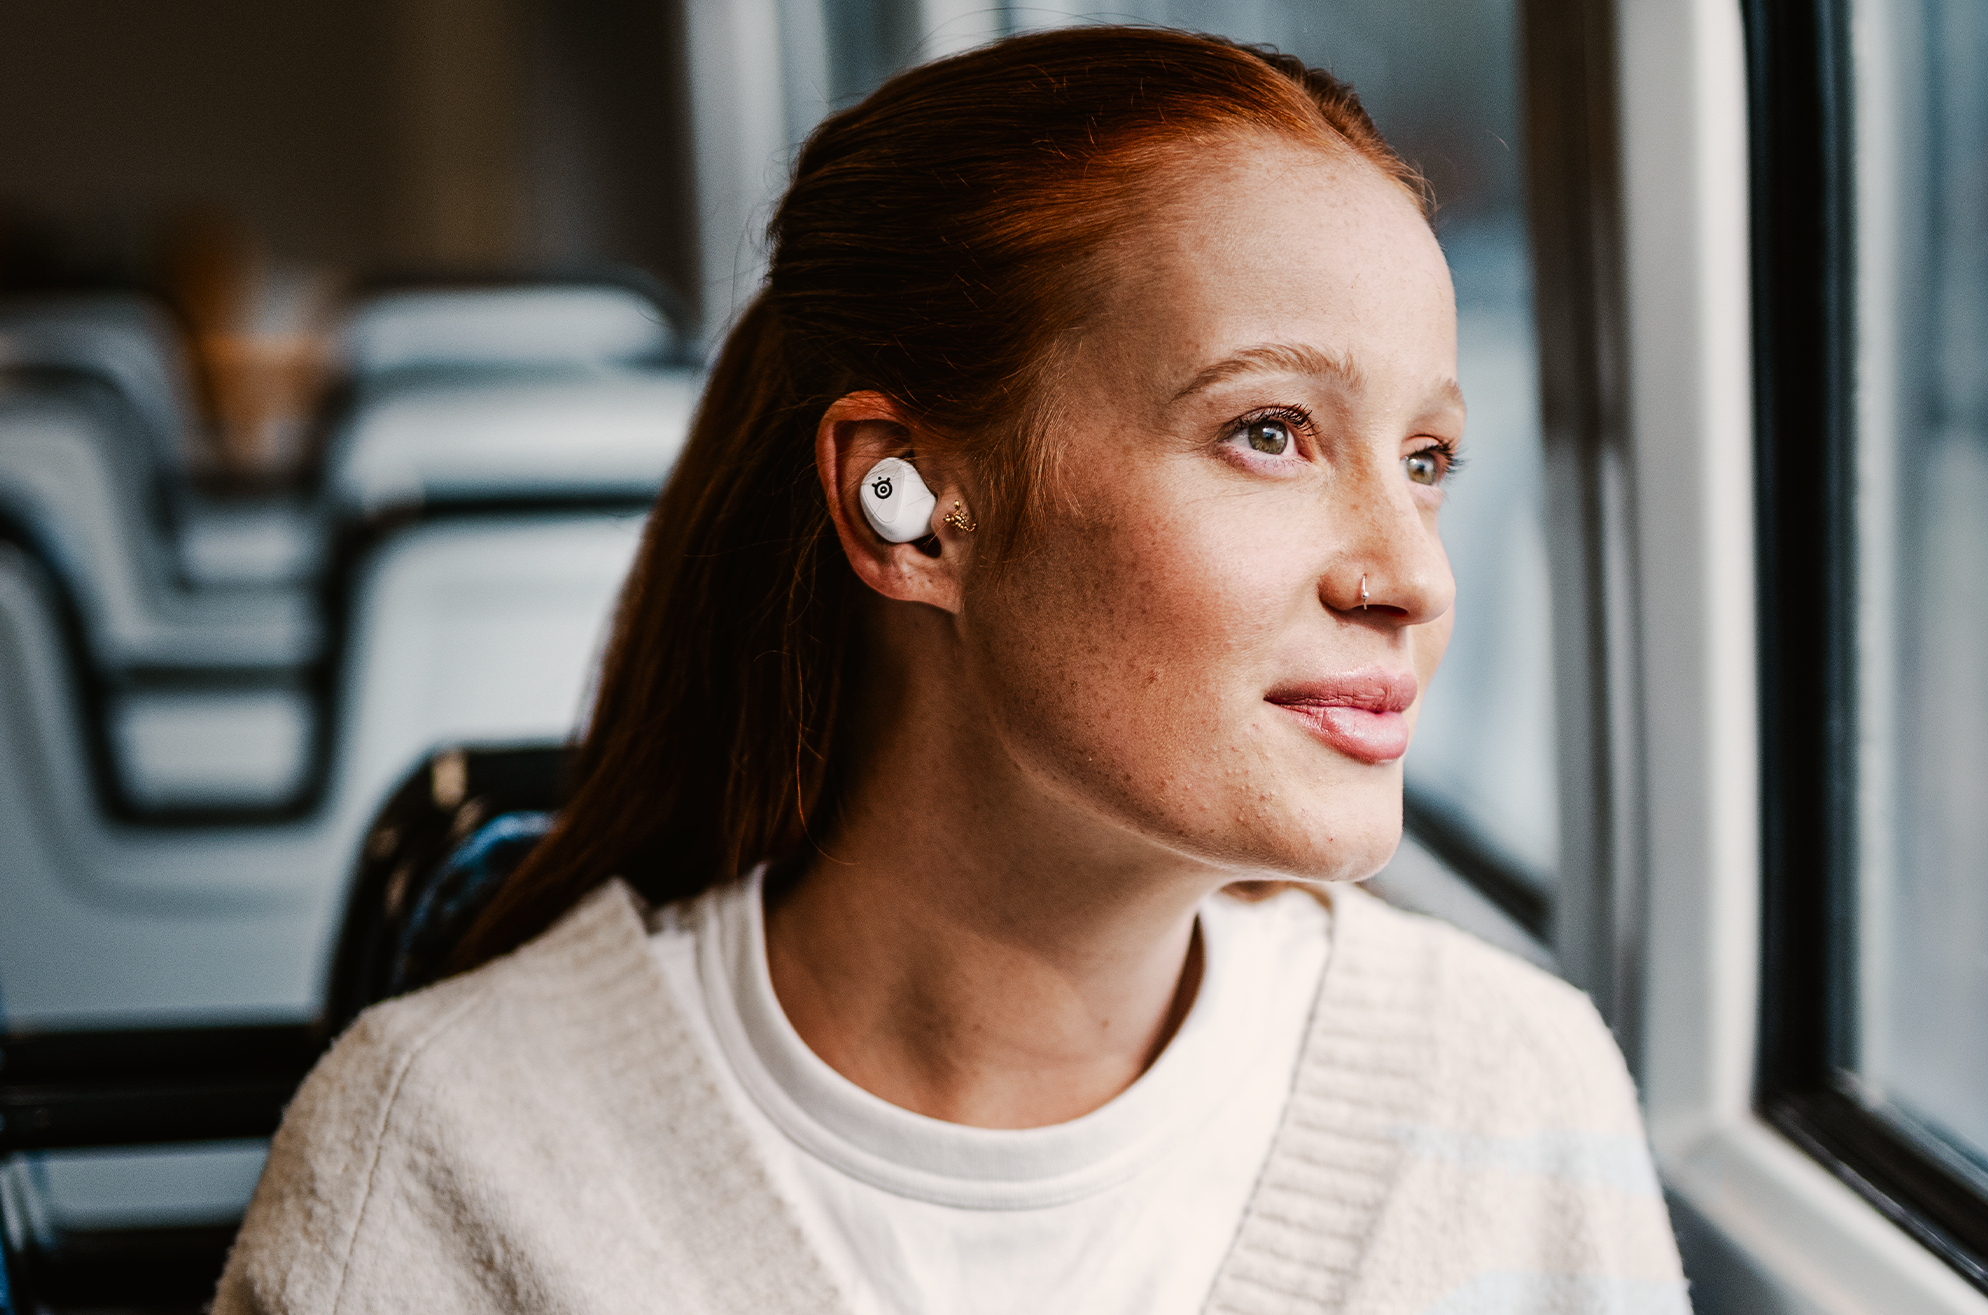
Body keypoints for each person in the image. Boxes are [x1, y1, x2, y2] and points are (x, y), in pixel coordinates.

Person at [218, 26, 1688, 1315]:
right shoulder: (440, 1162)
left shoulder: (1511, 1091)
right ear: (905, 504)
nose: (1415, 576)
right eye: (1269, 432)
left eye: (1426, 459)